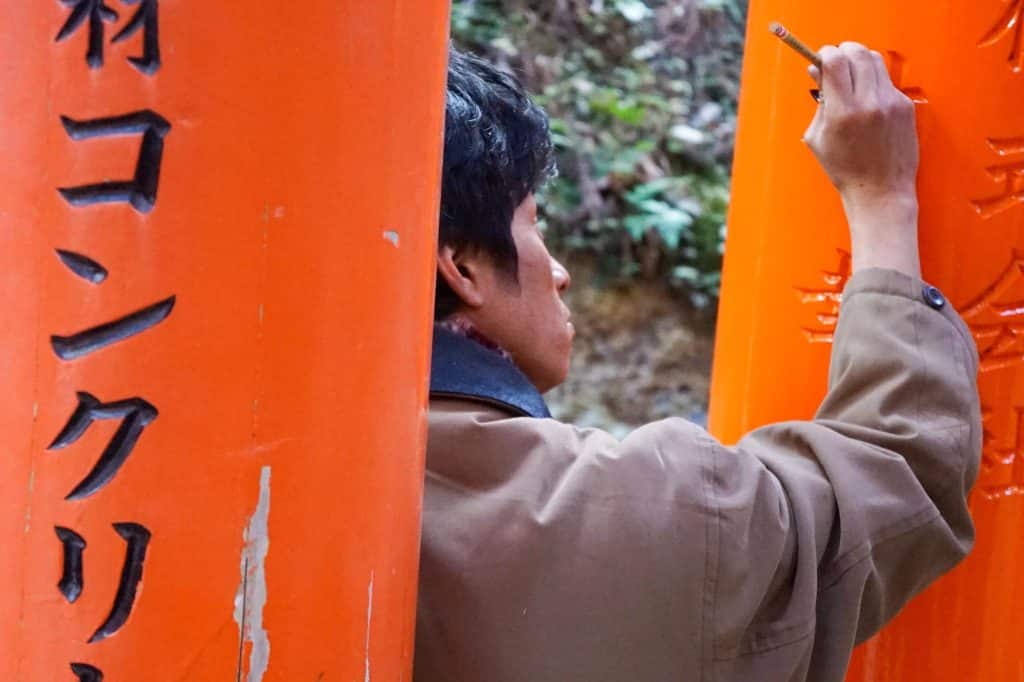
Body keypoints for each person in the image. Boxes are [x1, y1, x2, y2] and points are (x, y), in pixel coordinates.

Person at [415, 44, 981, 682]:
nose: (561, 274)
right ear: (460, 266)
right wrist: (882, 199)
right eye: (534, 226)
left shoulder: (295, 482)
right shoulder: (623, 513)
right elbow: (900, 472)